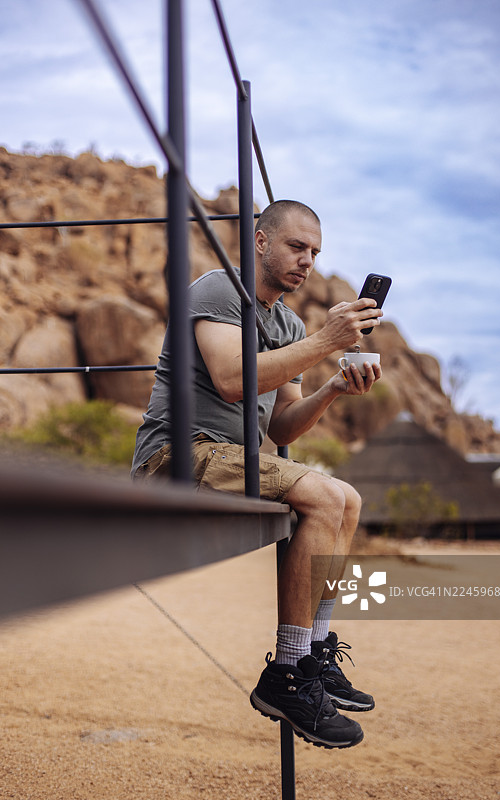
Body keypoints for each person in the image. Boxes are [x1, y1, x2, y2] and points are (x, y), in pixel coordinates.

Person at [132, 200, 383, 749]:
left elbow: (286, 427)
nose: (307, 262)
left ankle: (312, 654)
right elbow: (230, 380)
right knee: (321, 495)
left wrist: (333, 387)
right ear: (261, 241)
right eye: (297, 247)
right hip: (180, 454)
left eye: (315, 253)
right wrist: (324, 344)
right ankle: (288, 674)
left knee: (348, 499)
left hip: (232, 458)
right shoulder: (221, 290)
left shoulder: (286, 321)